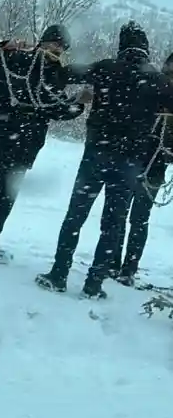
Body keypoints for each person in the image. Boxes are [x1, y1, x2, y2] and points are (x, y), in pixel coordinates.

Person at [37, 22, 173, 299]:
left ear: (122, 46)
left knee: (76, 215)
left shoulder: (105, 67)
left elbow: (61, 76)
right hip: (131, 161)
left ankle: (59, 273)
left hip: (96, 154)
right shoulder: (160, 82)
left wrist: (44, 56)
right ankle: (94, 284)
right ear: (145, 49)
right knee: (113, 223)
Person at [0, 24, 85, 263]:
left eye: (61, 46)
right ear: (43, 41)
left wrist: (78, 103)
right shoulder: (16, 58)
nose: (57, 49)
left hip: (25, 141)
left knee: (6, 195)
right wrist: (2, 47)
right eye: (54, 43)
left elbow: (55, 107)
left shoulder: (55, 71)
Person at [109, 51, 173, 286]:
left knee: (134, 218)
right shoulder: (153, 88)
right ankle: (118, 265)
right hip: (136, 162)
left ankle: (124, 267)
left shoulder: (154, 88)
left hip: (149, 167)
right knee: (127, 216)